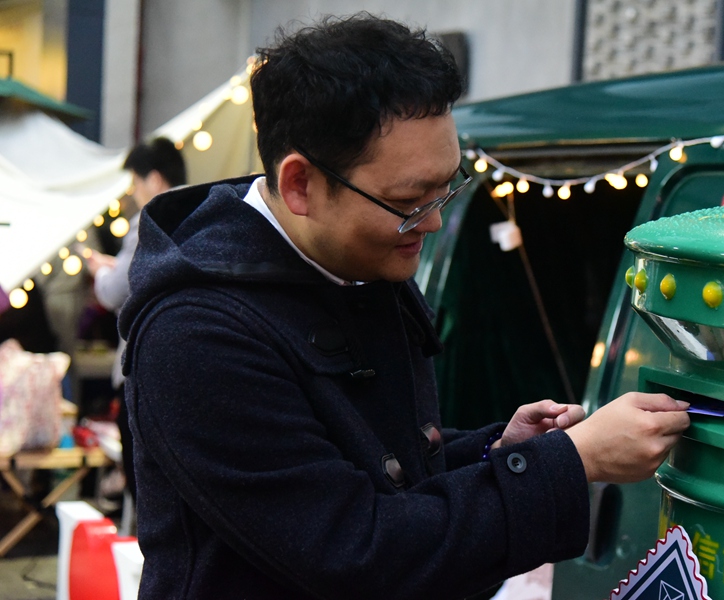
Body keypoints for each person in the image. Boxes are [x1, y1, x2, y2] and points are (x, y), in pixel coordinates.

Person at [118, 14, 690, 600]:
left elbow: (387, 464)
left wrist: (502, 452)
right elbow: (353, 549)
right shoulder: (196, 334)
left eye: (447, 187)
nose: (435, 220)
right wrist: (571, 462)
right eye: (409, 201)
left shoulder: (356, 256)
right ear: (300, 185)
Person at [87, 137, 186, 509]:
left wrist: (100, 273)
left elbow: (117, 291)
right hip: (185, 360)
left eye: (135, 182)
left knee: (143, 479)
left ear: (155, 180)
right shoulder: (204, 214)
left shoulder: (151, 221)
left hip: (142, 363)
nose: (133, 192)